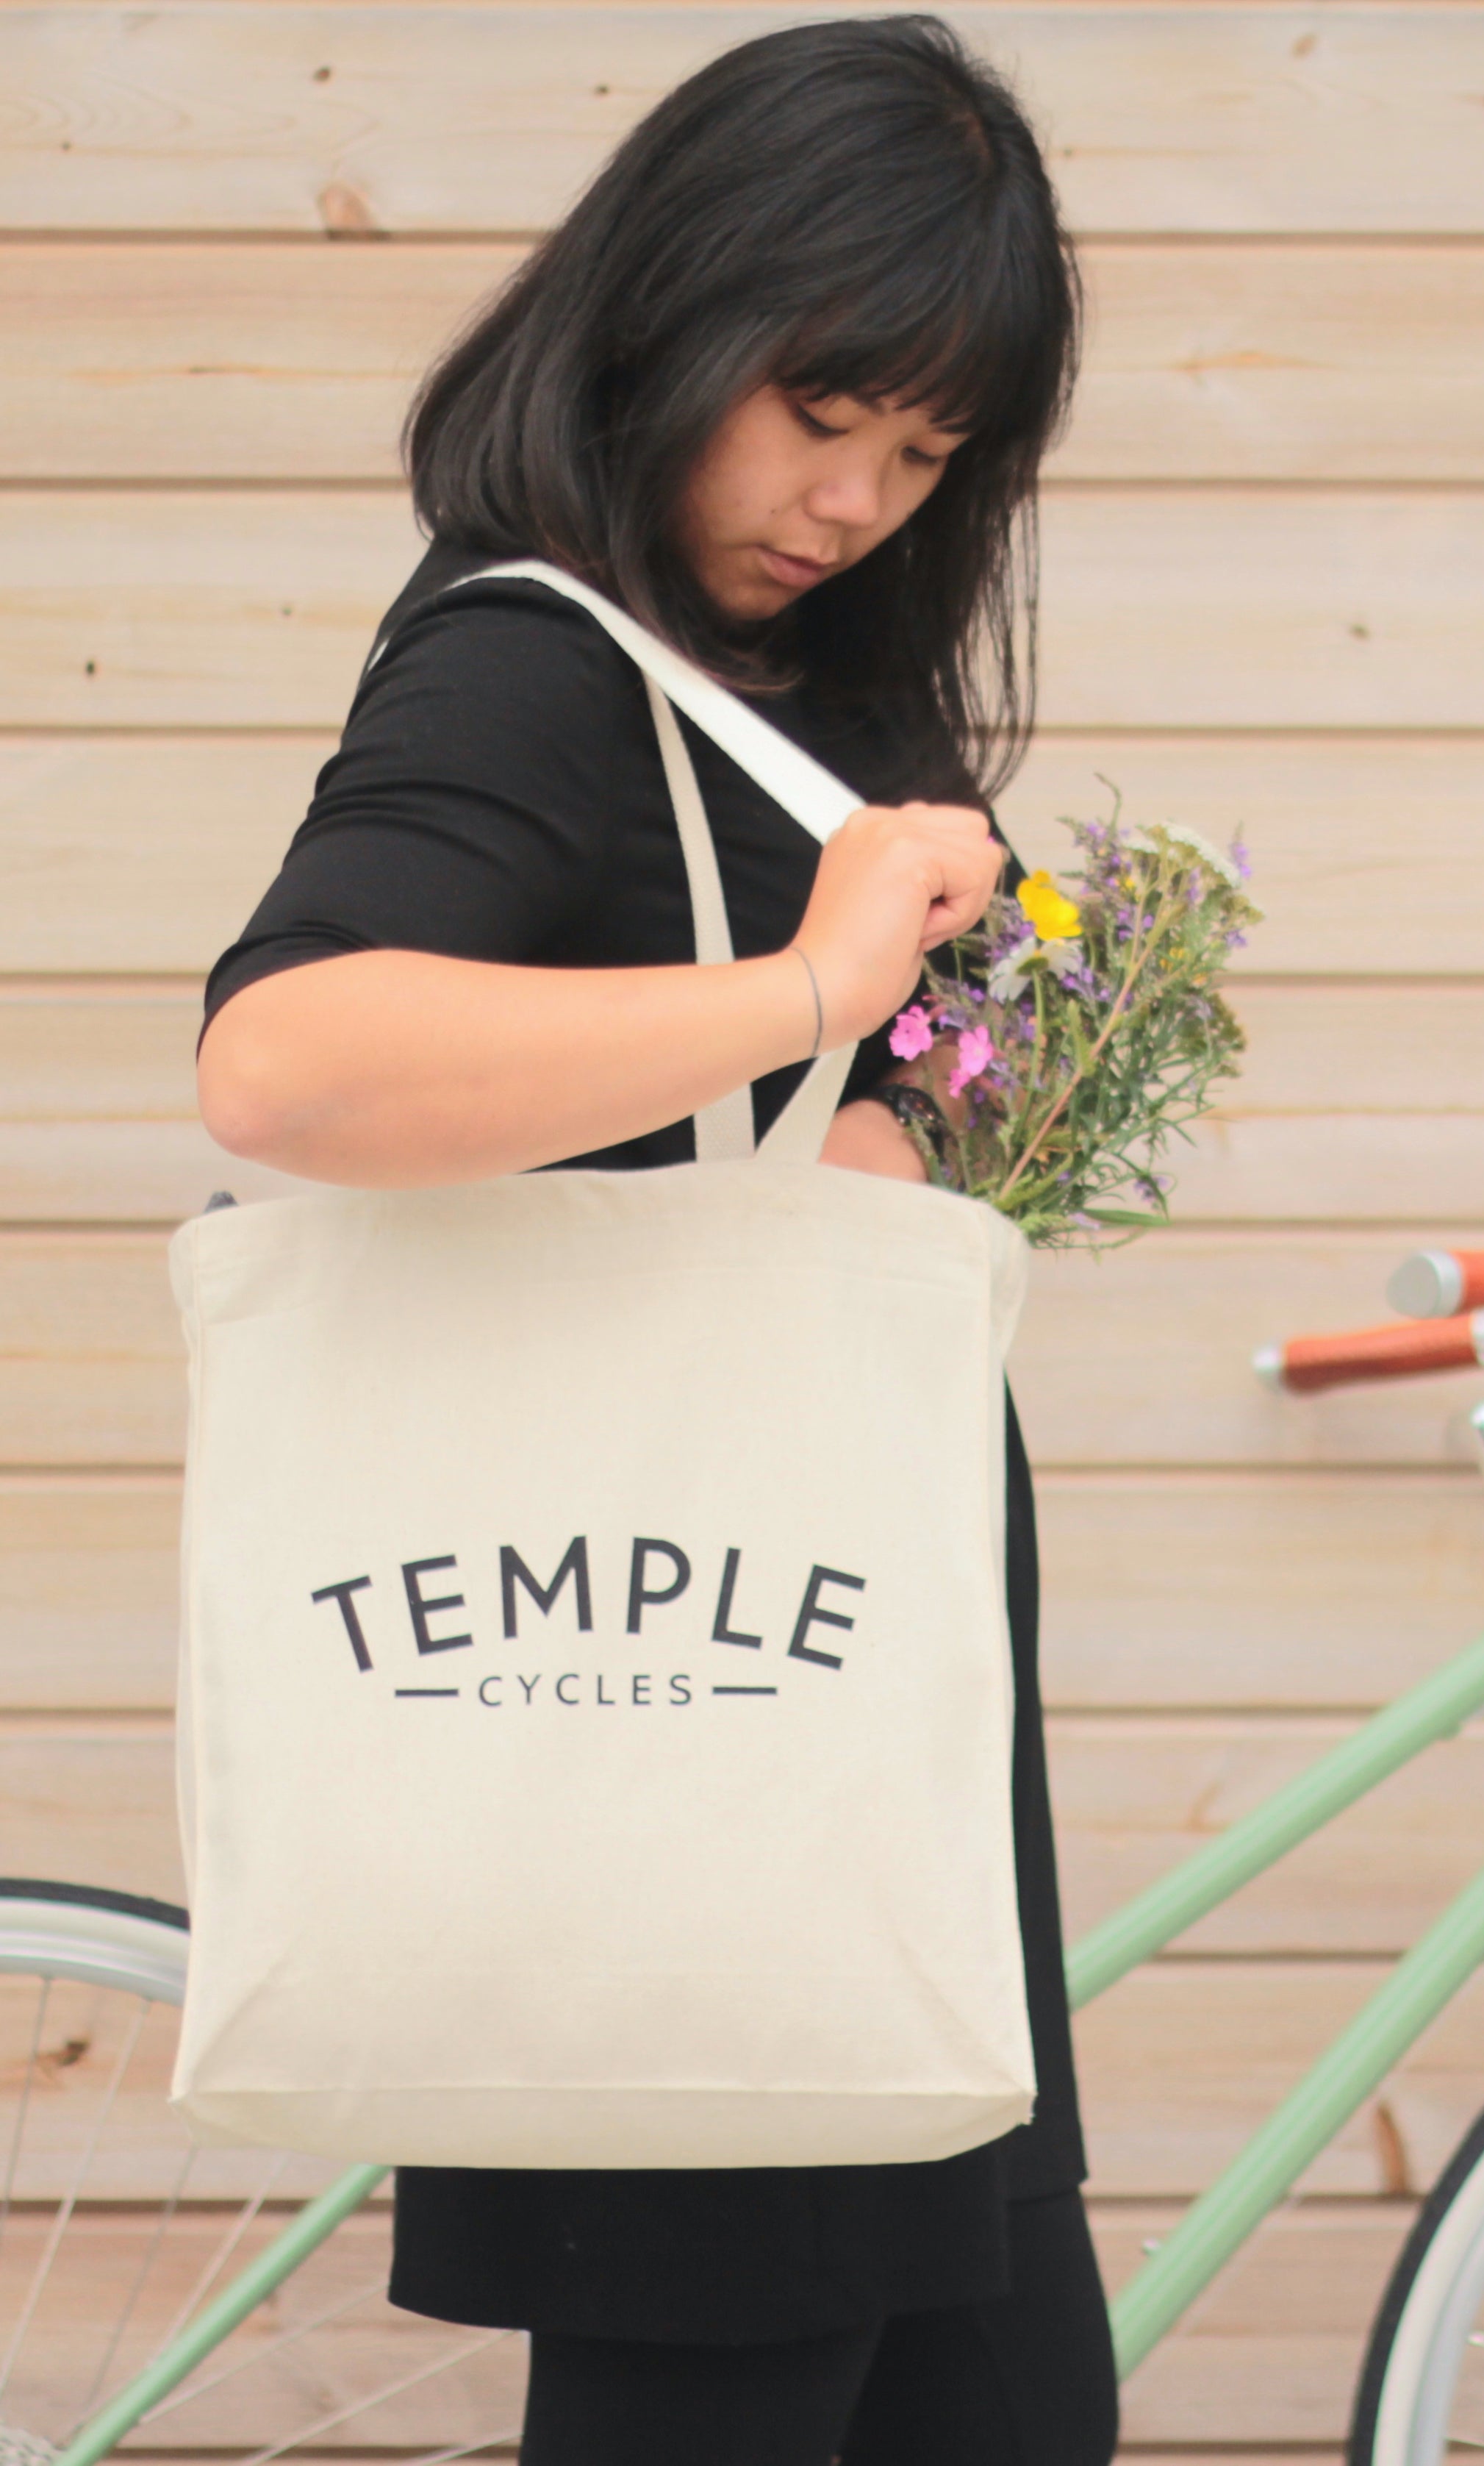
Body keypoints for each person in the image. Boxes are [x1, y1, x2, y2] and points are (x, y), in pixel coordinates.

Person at [196, 15, 1116, 2462]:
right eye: (821, 411)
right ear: (670, 313)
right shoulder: (531, 658)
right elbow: (287, 1057)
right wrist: (811, 990)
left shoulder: (793, 671)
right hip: (685, 1724)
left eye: (920, 455)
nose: (850, 495)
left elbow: (827, 1108)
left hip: (848, 1741)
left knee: (1009, 2421)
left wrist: (921, 1101)